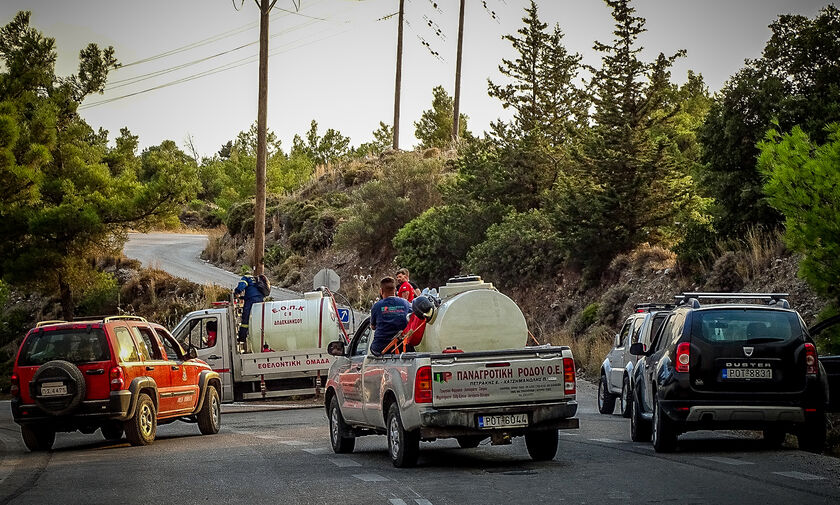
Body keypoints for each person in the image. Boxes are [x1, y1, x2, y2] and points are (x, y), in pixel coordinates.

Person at [369, 276, 412, 355]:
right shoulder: (406, 303)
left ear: (381, 291)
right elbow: (412, 319)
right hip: (401, 347)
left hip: (380, 348)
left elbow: (373, 326)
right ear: (395, 290)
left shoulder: (376, 306)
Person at [234, 270, 268, 343]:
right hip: (260, 299)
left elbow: (242, 285)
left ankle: (242, 337)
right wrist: (243, 297)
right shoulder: (256, 279)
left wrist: (237, 292)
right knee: (258, 318)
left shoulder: (246, 278)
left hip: (251, 300)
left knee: (245, 319)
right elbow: (252, 290)